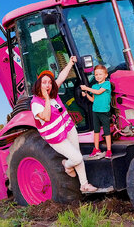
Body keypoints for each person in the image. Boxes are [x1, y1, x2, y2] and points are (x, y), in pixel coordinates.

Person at [31, 56, 97, 193]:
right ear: (39, 84)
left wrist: (70, 63)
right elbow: (47, 116)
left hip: (68, 128)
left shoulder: (53, 93)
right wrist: (47, 98)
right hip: (56, 138)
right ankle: (67, 165)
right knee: (77, 158)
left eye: (49, 82)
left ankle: (84, 185)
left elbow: (61, 76)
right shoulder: (36, 103)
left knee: (76, 154)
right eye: (44, 82)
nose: (48, 85)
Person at [80, 64, 112, 160]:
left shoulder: (107, 84)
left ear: (105, 75)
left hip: (104, 111)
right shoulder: (94, 86)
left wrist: (86, 88)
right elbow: (93, 99)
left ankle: (109, 150)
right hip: (95, 111)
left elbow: (98, 92)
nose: (98, 76)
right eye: (96, 74)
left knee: (106, 131)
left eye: (100, 74)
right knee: (96, 131)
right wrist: (86, 94)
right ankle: (96, 148)